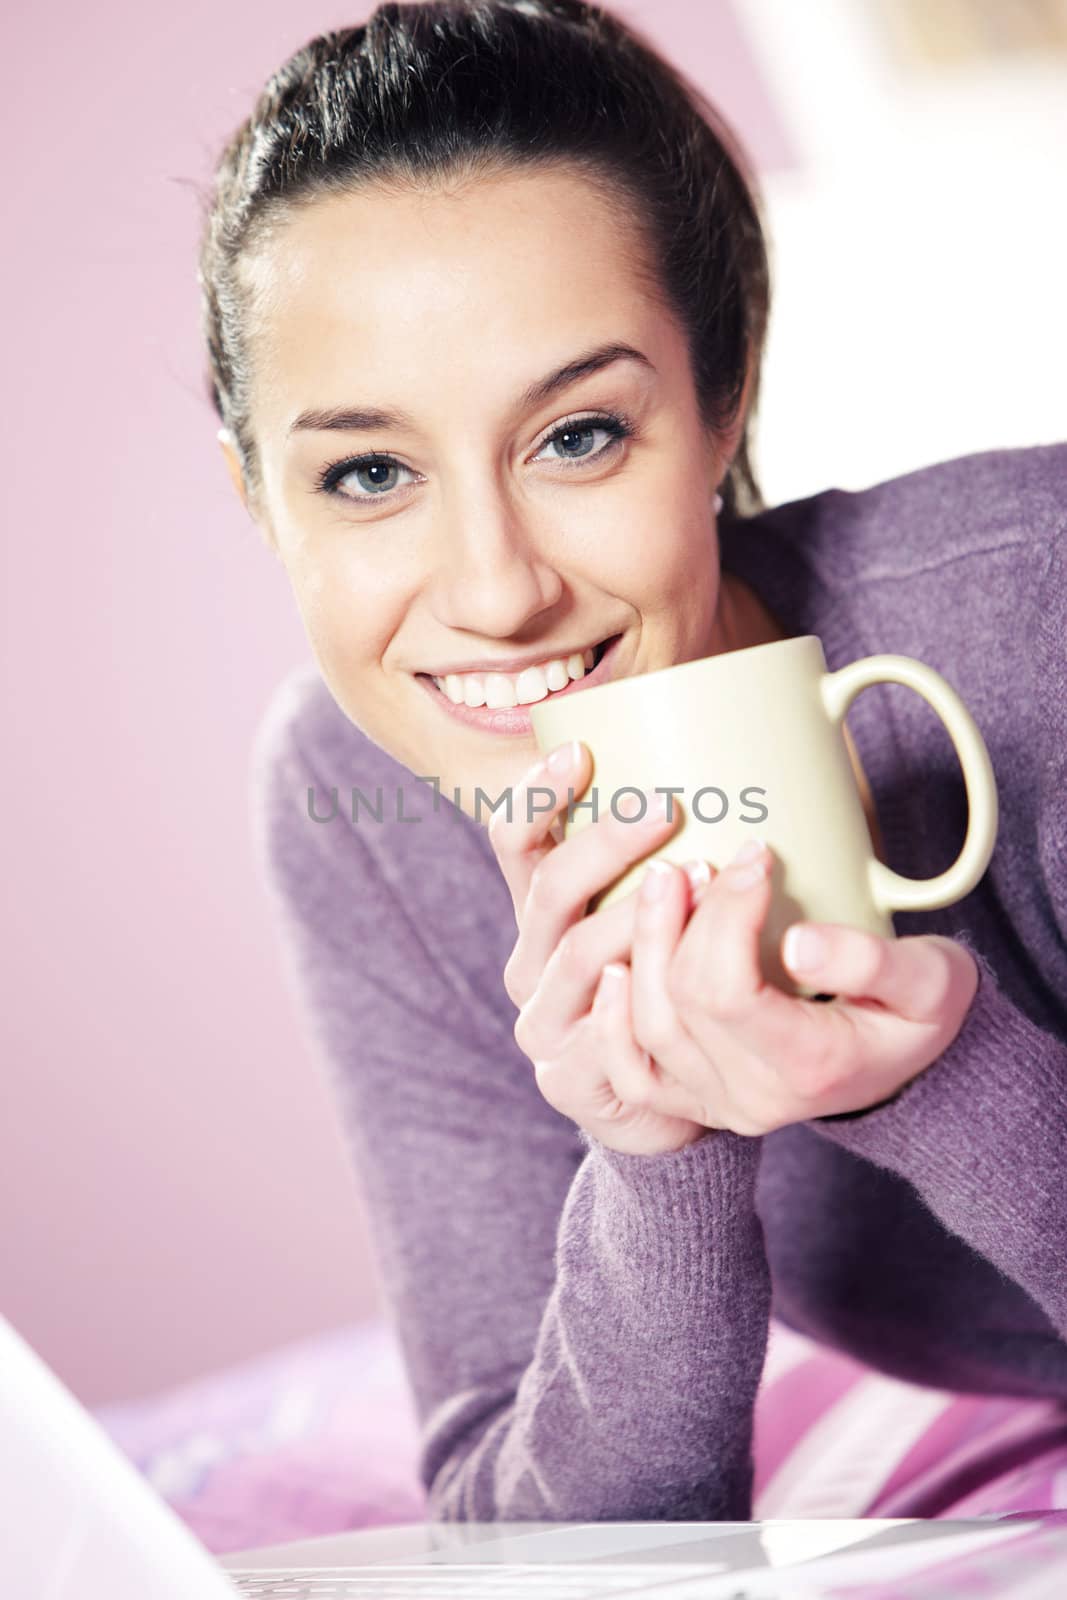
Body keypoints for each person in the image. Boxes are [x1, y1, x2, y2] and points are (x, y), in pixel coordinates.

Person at [199, 0, 1067, 1520]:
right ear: (261, 496)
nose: (493, 590)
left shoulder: (1032, 601)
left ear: (723, 404)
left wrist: (931, 1072)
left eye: (580, 436)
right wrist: (653, 1155)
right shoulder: (356, 811)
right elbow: (526, 1536)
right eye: (368, 473)